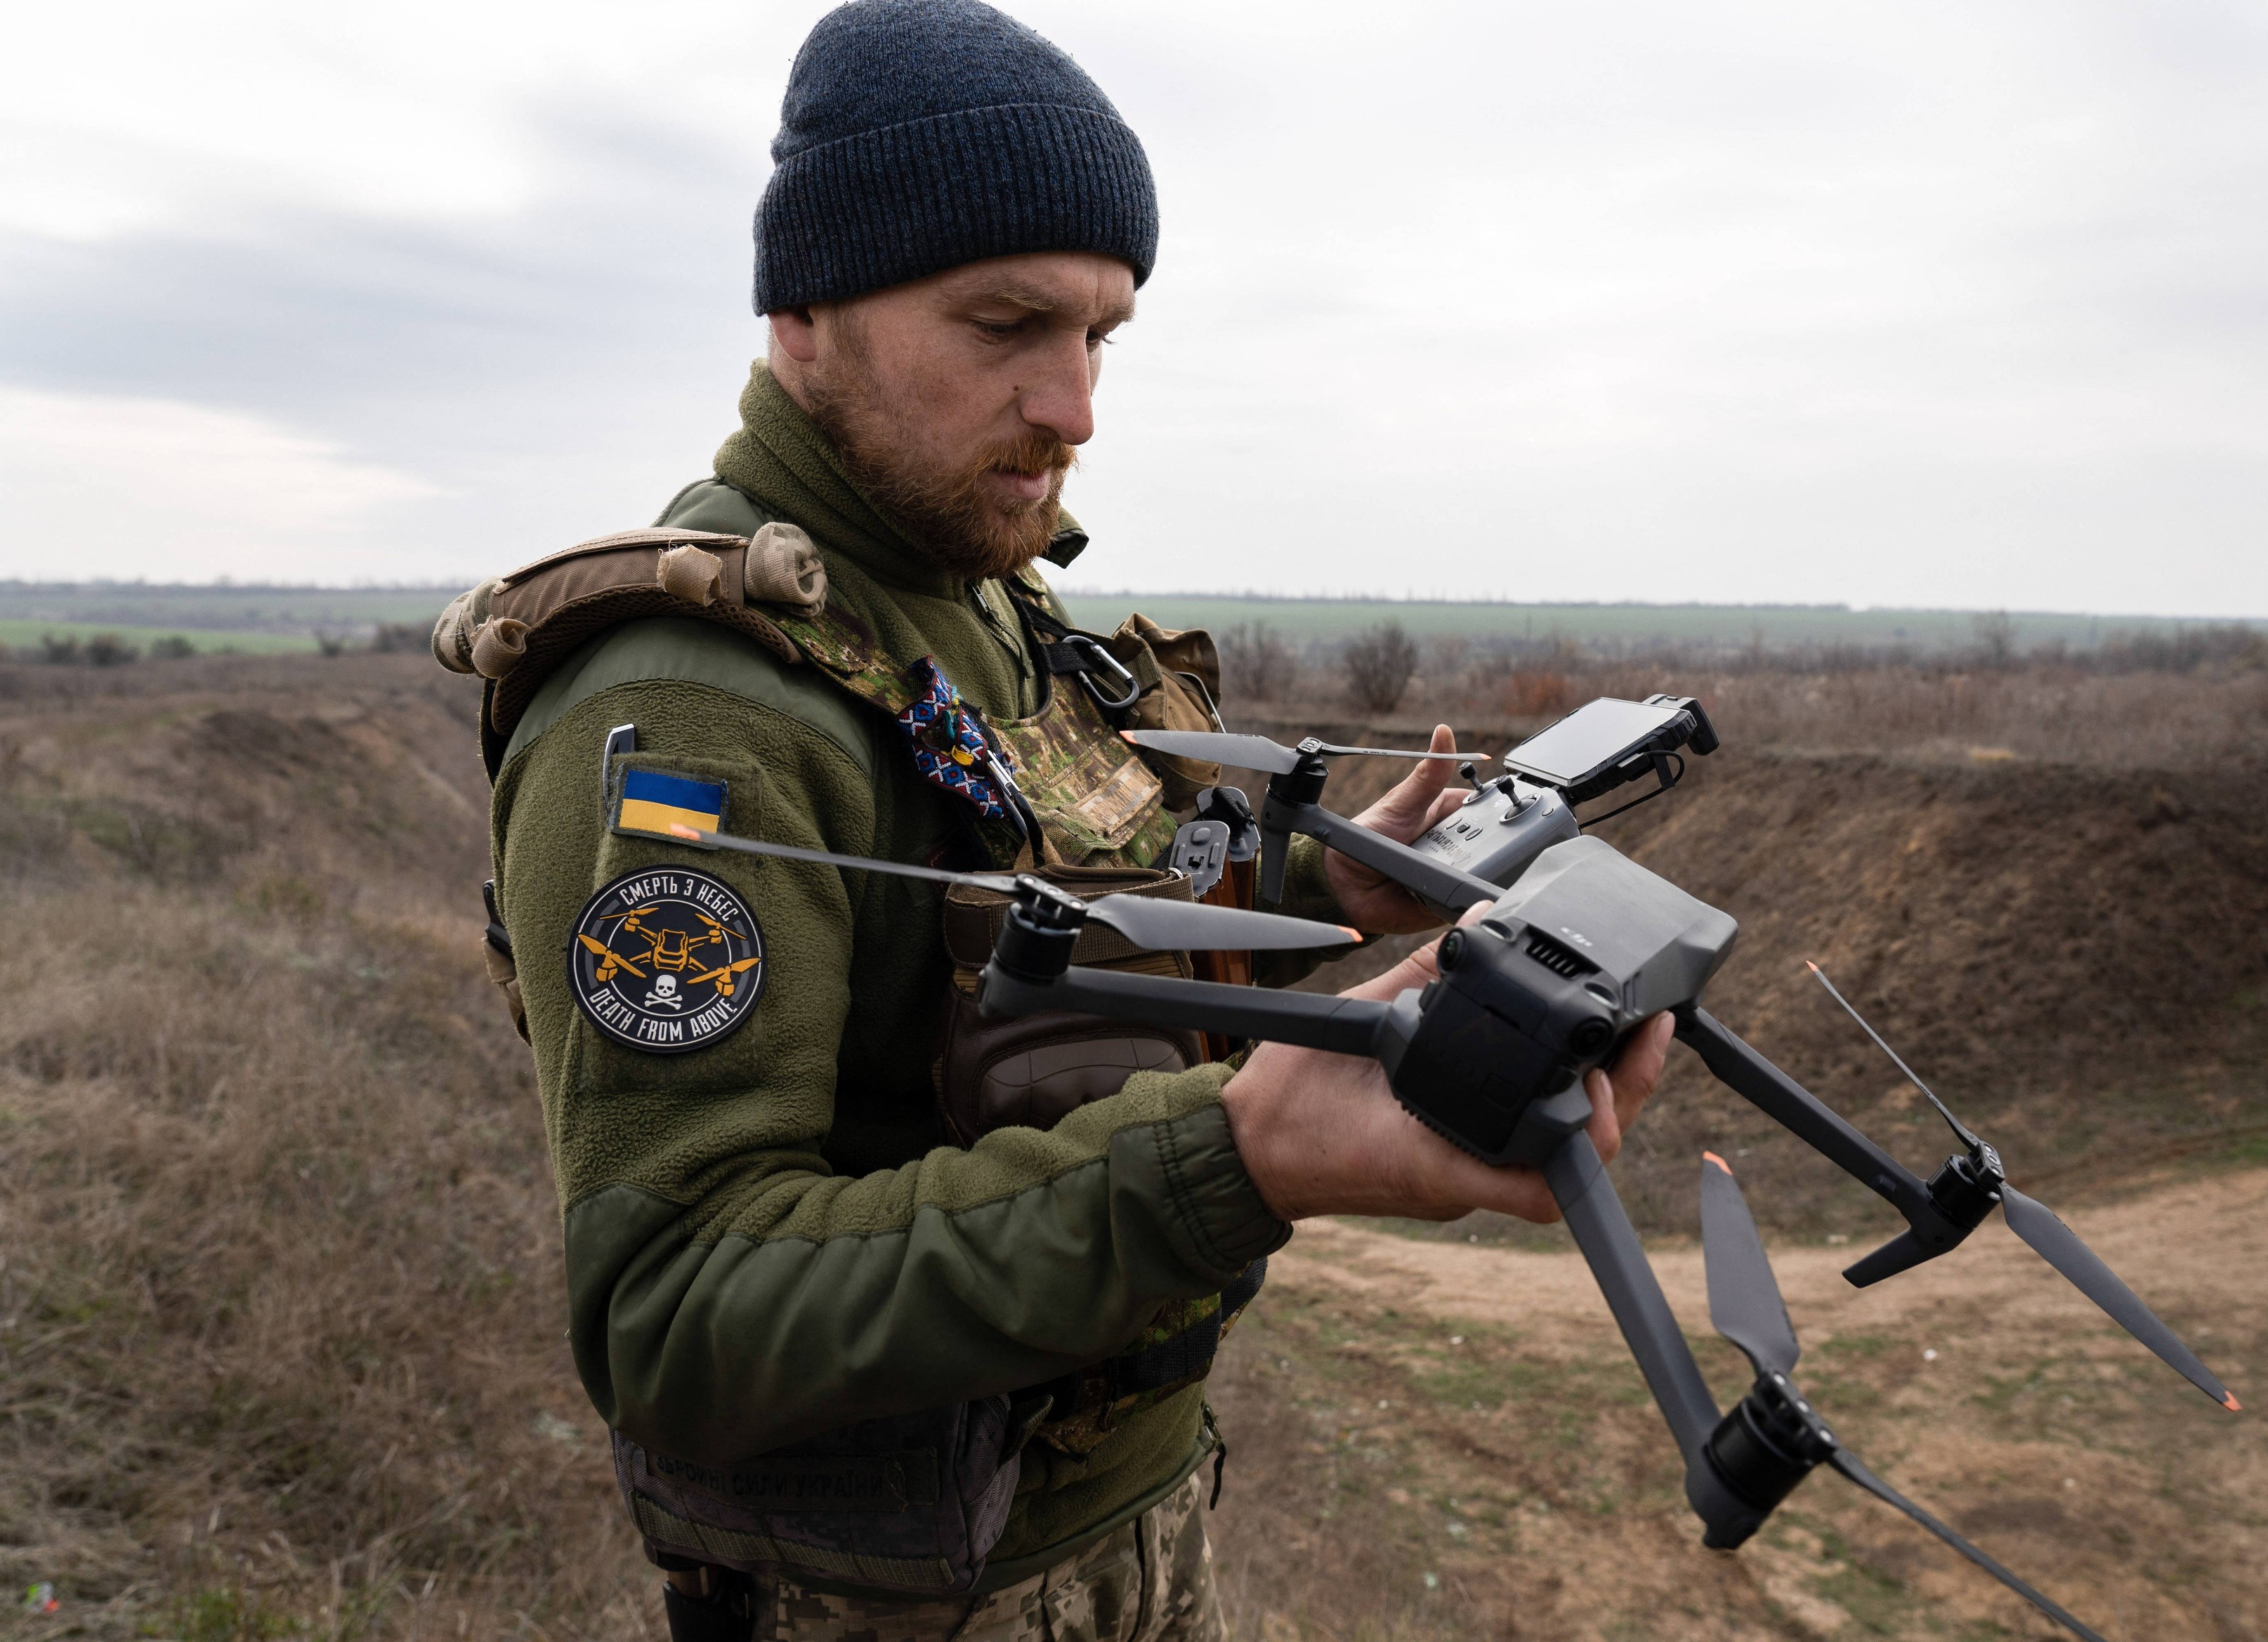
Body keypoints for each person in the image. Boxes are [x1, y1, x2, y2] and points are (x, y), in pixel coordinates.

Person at [467, 3, 1673, 1637]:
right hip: (896, 1596)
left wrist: (1328, 880)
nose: (1076, 404)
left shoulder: (985, 599)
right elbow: (672, 1314)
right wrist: (1235, 1151)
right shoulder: (694, 712)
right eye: (1006, 324)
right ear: (802, 310)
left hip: (1128, 1522)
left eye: (1102, 334)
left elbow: (1061, 897)